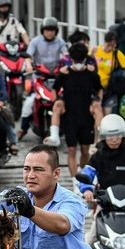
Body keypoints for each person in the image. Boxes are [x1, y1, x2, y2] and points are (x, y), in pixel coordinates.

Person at [46, 44, 101, 180]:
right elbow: (54, 89)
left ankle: (82, 173)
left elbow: (99, 89)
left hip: (86, 116)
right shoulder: (65, 73)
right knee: (71, 149)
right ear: (71, 59)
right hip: (70, 116)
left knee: (84, 150)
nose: (77, 63)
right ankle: (74, 179)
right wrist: (58, 102)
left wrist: (96, 101)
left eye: (79, 60)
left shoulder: (91, 74)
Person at [78, 114, 125, 202]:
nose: (114, 140)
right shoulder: (97, 157)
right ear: (104, 136)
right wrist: (87, 190)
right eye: (110, 136)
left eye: (118, 135)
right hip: (105, 202)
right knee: (96, 215)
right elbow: (87, 174)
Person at [93, 31, 125, 116]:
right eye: (108, 45)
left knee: (107, 115)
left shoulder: (116, 54)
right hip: (95, 88)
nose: (110, 48)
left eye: (113, 45)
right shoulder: (95, 50)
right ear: (104, 41)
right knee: (96, 114)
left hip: (109, 89)